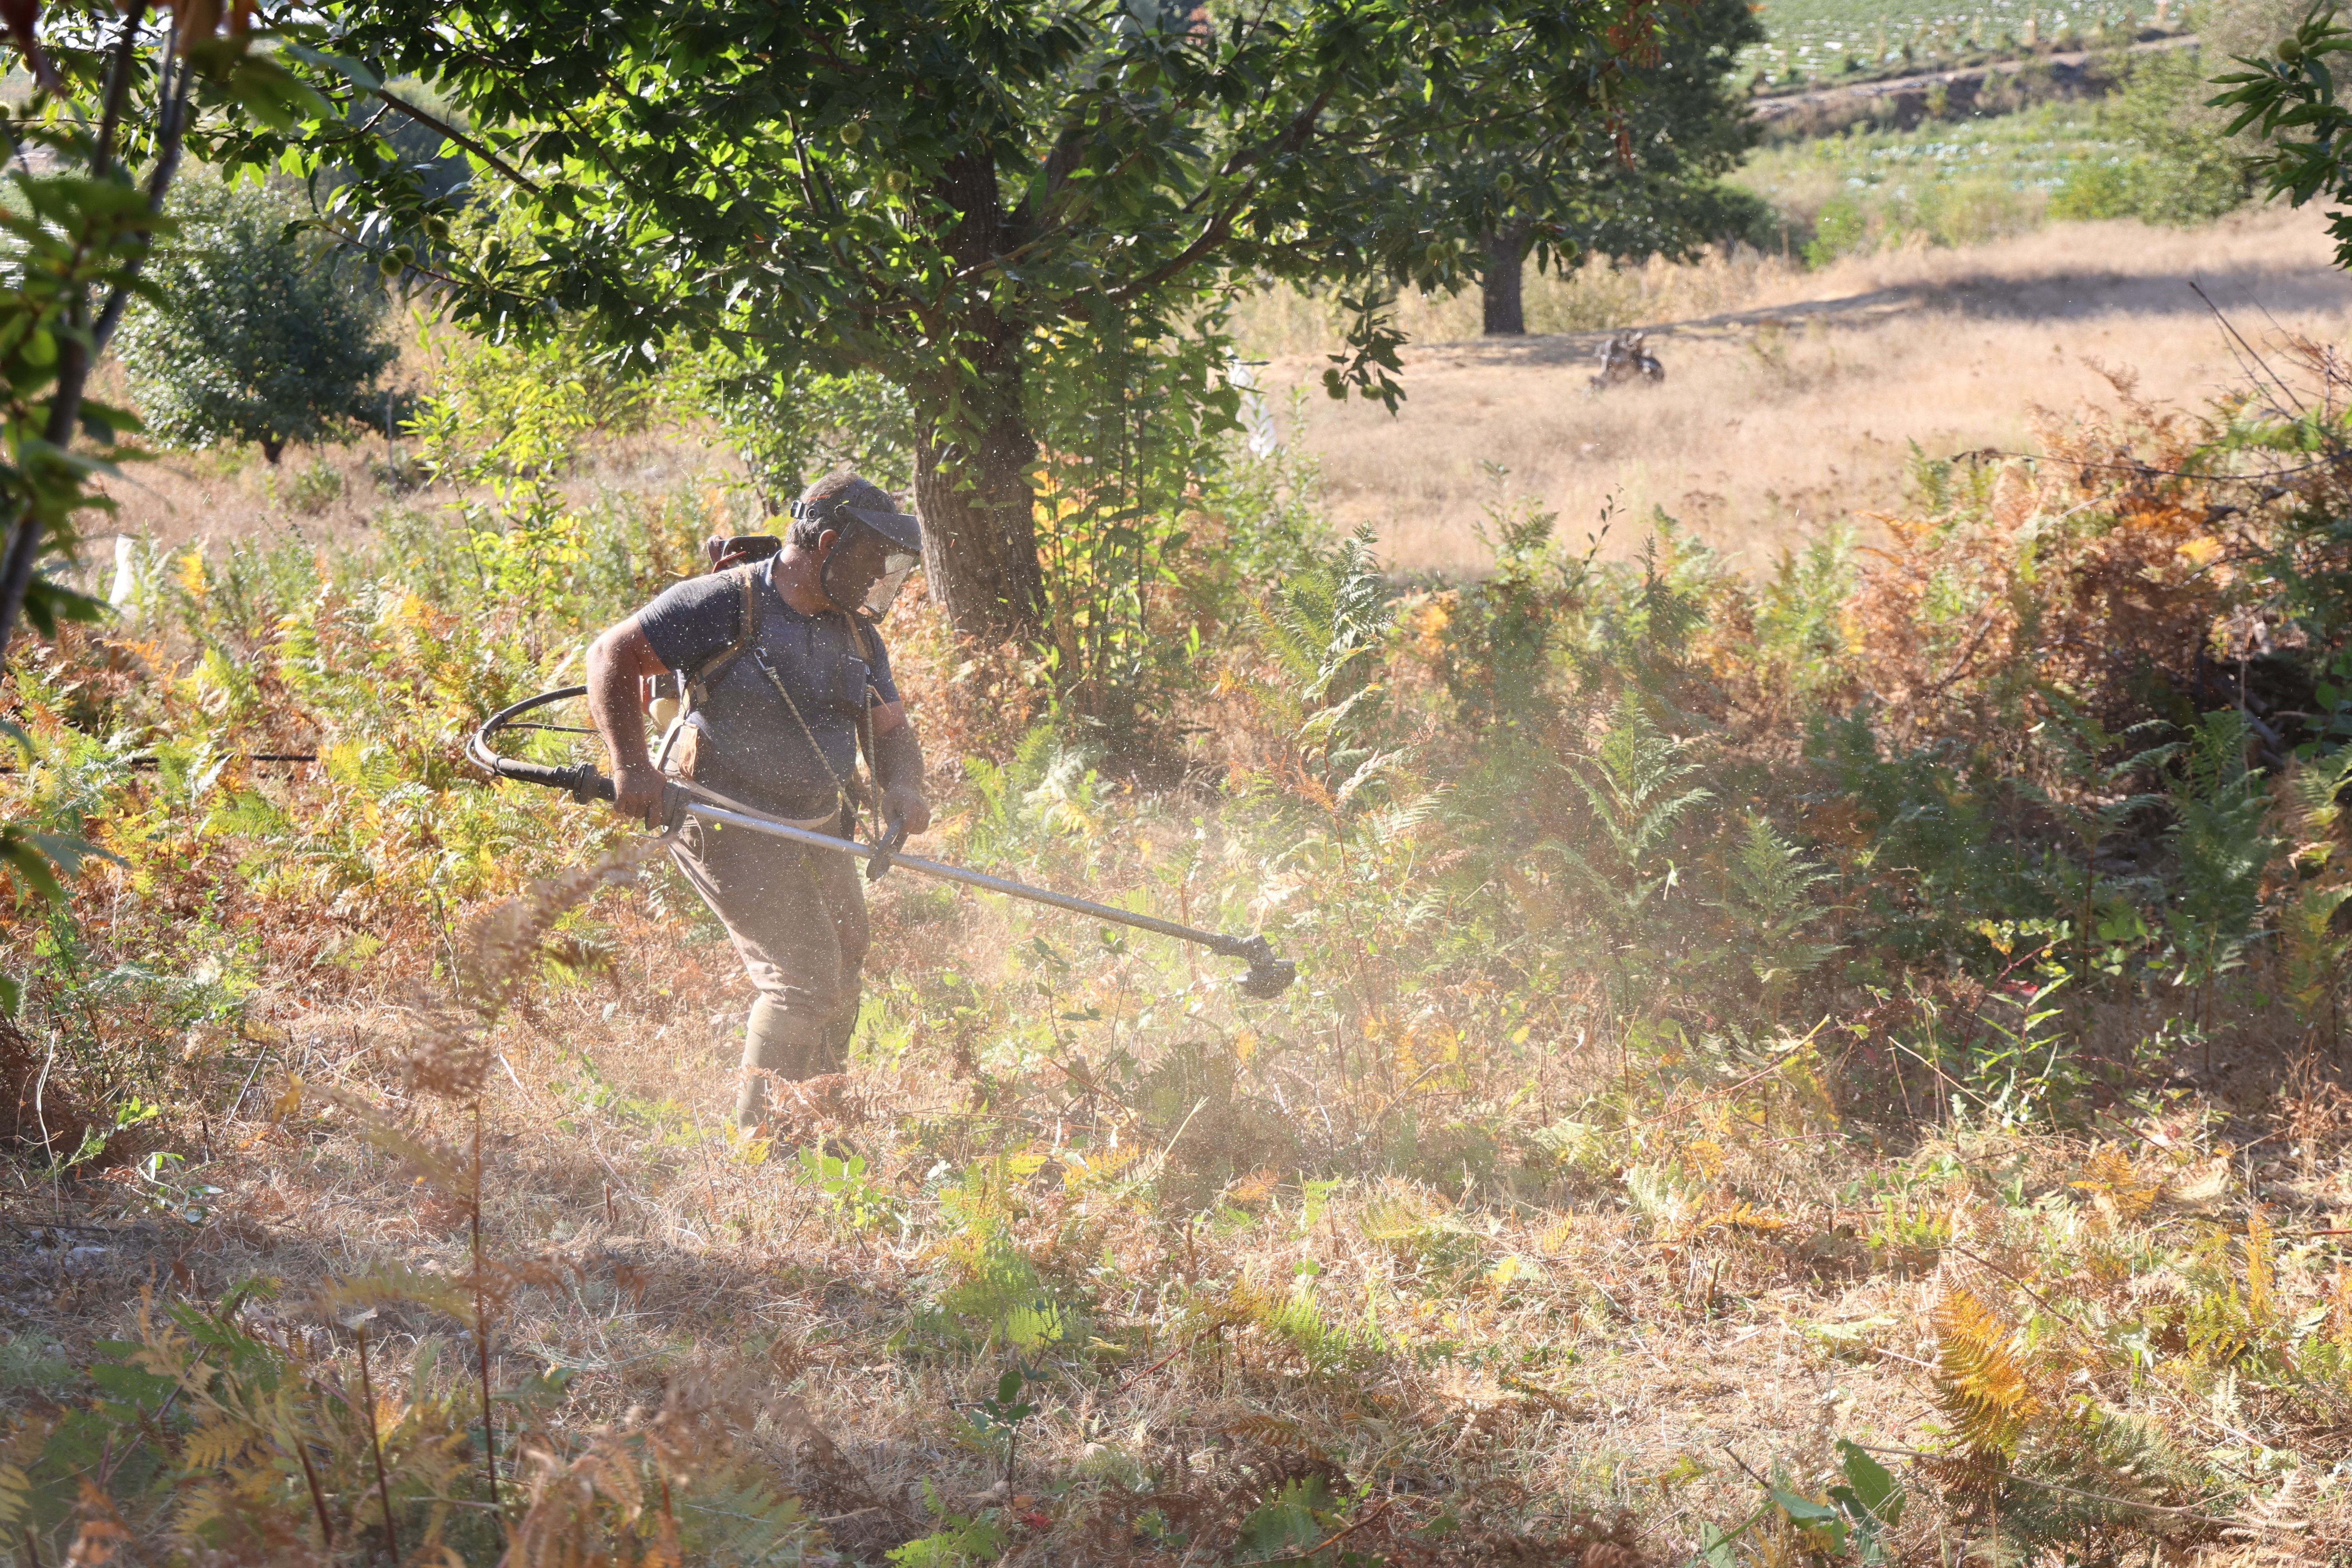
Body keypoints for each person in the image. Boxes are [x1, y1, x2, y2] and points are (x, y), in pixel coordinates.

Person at [585, 469, 932, 1129]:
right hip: (723, 818)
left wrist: (904, 785)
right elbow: (611, 655)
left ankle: (820, 1118)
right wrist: (631, 766)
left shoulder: (859, 635)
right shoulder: (724, 602)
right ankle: (765, 1145)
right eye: (870, 558)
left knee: (846, 951)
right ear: (827, 544)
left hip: (816, 820)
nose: (877, 576)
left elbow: (891, 730)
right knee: (803, 976)